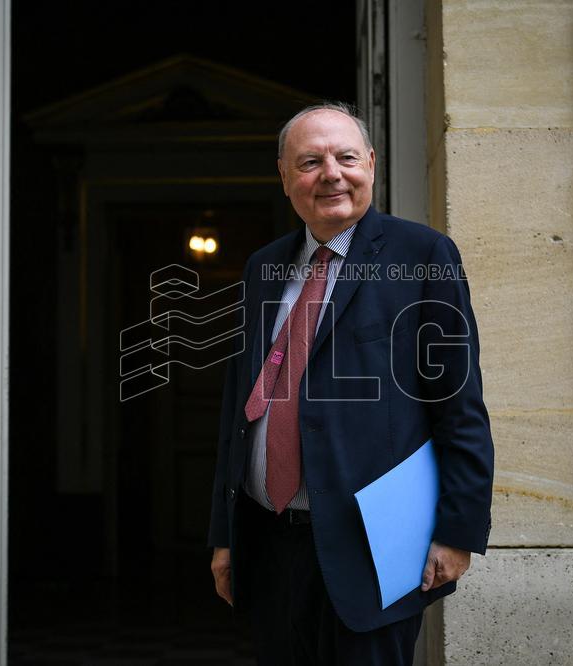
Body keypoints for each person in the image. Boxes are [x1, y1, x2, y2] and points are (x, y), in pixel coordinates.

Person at [207, 103, 494, 665]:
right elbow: (237, 410)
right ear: (286, 178)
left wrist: (458, 531)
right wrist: (224, 533)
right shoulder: (263, 267)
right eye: (310, 162)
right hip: (270, 543)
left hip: (374, 546)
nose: (331, 174)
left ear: (371, 164)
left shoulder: (423, 255)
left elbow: (459, 403)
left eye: (345, 157)